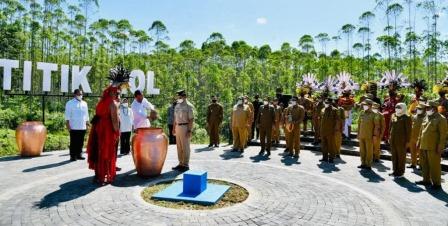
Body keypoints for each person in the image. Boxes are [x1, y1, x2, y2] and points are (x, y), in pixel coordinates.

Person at [87, 65, 129, 185]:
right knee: (107, 152)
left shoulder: (101, 102)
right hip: (107, 130)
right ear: (114, 93)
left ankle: (97, 175)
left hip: (98, 128)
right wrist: (117, 132)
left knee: (98, 151)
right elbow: (114, 120)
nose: (118, 95)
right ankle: (102, 176)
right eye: (118, 93)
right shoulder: (112, 104)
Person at [416, 100, 448, 190]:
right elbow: (421, 131)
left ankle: (437, 183)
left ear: (434, 109)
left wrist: (440, 147)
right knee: (424, 164)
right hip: (423, 145)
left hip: (433, 147)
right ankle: (426, 180)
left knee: (434, 165)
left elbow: (443, 135)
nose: (426, 109)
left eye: (428, 108)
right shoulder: (426, 117)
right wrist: (418, 141)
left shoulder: (441, 119)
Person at [172, 90, 195, 172]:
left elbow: (191, 119)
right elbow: (175, 118)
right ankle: (180, 163)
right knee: (179, 147)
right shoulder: (177, 105)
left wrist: (189, 130)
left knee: (185, 147)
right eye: (178, 97)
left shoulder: (189, 106)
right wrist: (173, 128)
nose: (179, 98)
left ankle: (185, 164)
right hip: (178, 126)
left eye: (180, 96)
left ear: (184, 96)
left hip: (185, 127)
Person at [65, 89, 89, 161]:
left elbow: (86, 114)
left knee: (81, 142)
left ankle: (79, 154)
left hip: (82, 126)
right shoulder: (70, 103)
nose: (80, 96)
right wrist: (68, 125)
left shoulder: (84, 103)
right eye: (79, 94)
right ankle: (73, 156)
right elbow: (67, 115)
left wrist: (87, 123)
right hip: (74, 126)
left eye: (81, 94)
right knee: (73, 142)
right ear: (75, 95)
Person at [389, 103, 412, 178]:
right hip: (393, 139)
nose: (397, 108)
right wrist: (389, 136)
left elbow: (409, 131)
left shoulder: (407, 117)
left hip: (402, 140)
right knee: (394, 155)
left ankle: (400, 172)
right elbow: (390, 126)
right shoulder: (393, 115)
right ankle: (395, 170)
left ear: (403, 108)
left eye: (399, 107)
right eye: (396, 107)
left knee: (401, 156)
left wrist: (408, 141)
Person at [357, 99, 380, 170]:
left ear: (370, 105)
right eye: (363, 105)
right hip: (362, 134)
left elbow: (377, 126)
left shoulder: (374, 114)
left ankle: (368, 164)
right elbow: (359, 123)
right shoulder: (361, 113)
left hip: (369, 135)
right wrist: (358, 133)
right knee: (362, 150)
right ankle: (363, 163)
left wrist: (375, 135)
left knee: (369, 150)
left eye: (365, 105)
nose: (364, 106)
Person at [320, 98, 338, 163]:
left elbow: (337, 121)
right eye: (325, 102)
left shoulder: (335, 110)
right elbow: (321, 120)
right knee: (324, 145)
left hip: (331, 131)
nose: (326, 104)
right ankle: (324, 157)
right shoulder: (323, 109)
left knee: (331, 145)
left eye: (327, 103)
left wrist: (335, 130)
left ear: (331, 103)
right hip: (323, 130)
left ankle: (331, 158)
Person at [408, 103, 426, 169]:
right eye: (418, 108)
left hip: (421, 138)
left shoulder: (426, 118)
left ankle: (421, 165)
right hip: (412, 137)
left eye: (420, 109)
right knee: (413, 151)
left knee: (421, 152)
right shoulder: (414, 116)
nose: (418, 110)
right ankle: (413, 163)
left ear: (424, 110)